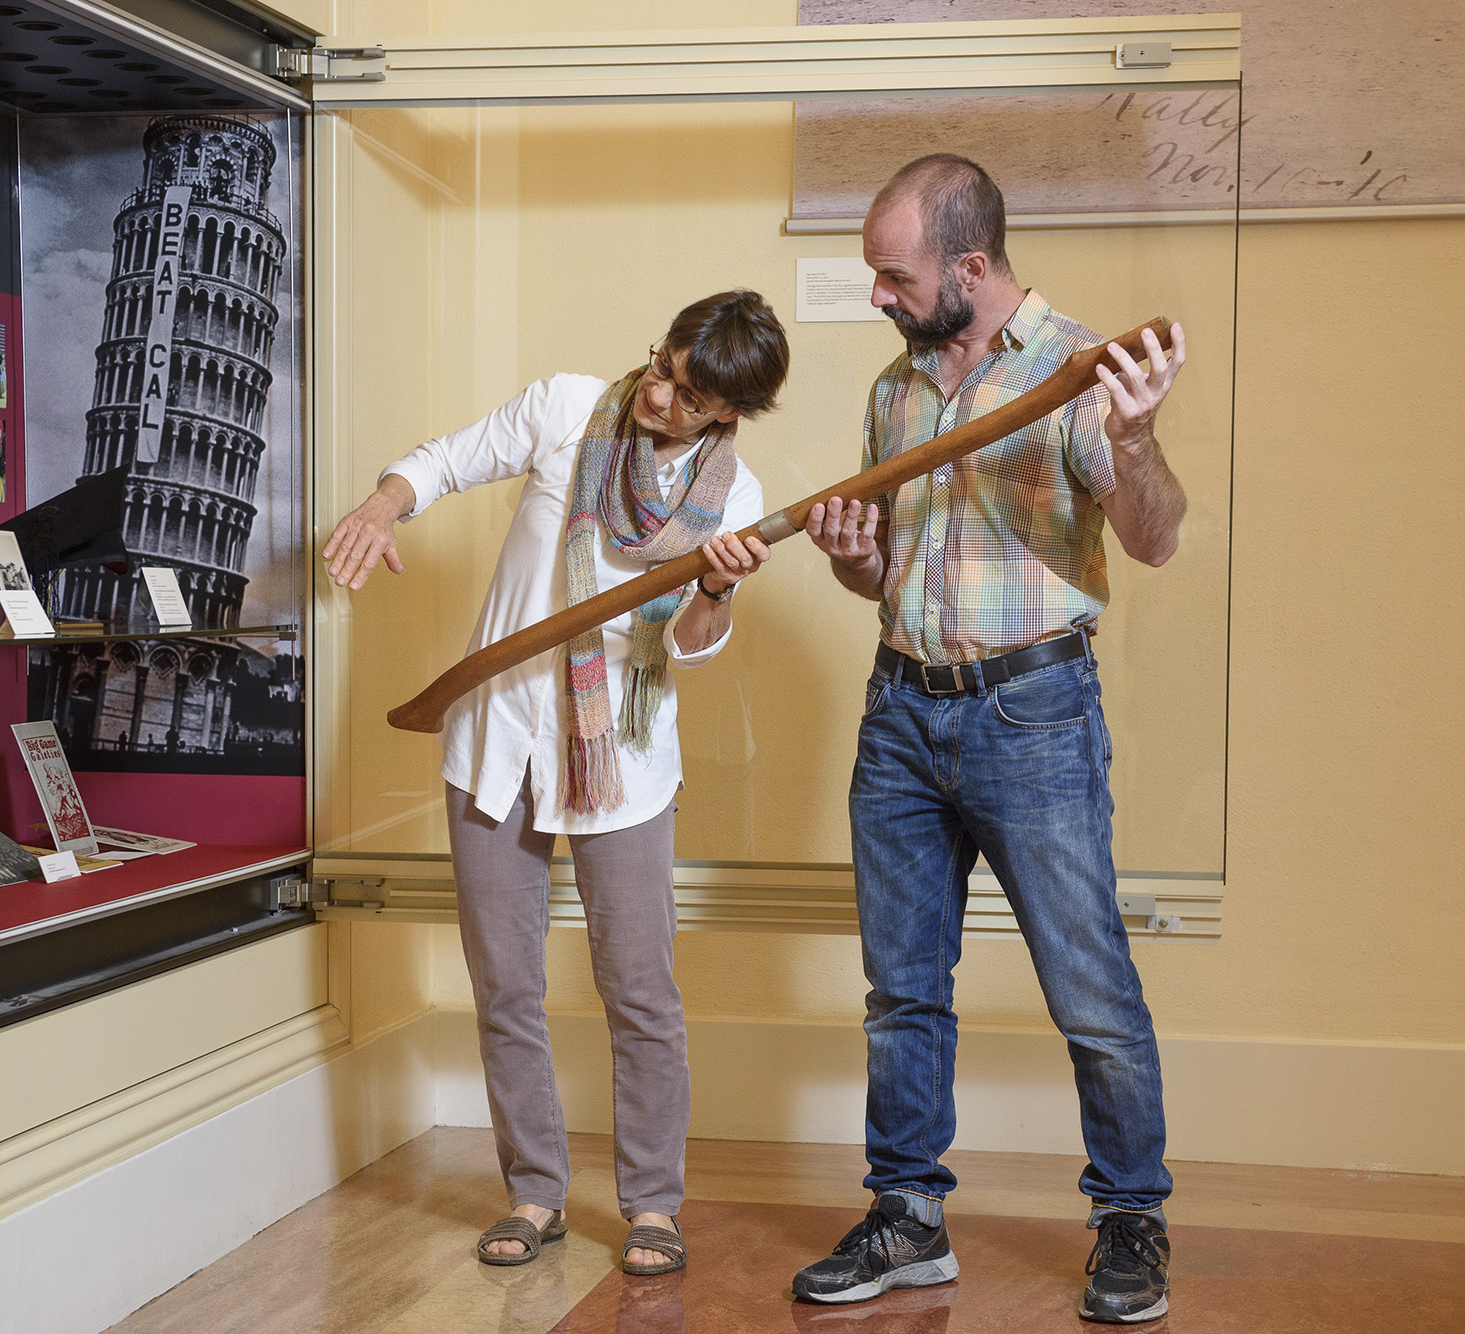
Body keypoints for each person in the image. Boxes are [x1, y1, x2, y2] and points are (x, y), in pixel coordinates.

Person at [791, 154, 1188, 1323]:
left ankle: (1128, 1214)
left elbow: (1155, 541)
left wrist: (1140, 437)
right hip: (899, 712)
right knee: (900, 991)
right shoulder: (894, 390)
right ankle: (905, 1214)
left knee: (1090, 988)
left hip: (1032, 715)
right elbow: (886, 578)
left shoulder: (1077, 374)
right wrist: (856, 559)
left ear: (969, 266)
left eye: (891, 274)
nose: (877, 295)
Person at [322, 290, 789, 1277]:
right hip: (494, 741)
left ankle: (653, 1201)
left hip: (617, 759)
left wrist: (710, 584)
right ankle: (533, 1189)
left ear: (723, 413)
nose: (657, 393)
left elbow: (692, 649)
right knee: (505, 981)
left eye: (686, 392)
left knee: (638, 988)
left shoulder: (734, 500)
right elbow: (444, 460)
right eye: (659, 365)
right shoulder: (569, 407)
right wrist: (381, 502)